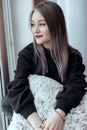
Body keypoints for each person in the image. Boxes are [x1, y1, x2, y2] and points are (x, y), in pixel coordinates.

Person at [6, 1, 87, 130]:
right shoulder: (27, 54)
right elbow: (17, 87)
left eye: (42, 24)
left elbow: (77, 85)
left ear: (56, 26)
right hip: (34, 115)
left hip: (59, 111)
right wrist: (38, 125)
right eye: (32, 24)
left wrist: (58, 114)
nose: (35, 30)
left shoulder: (73, 56)